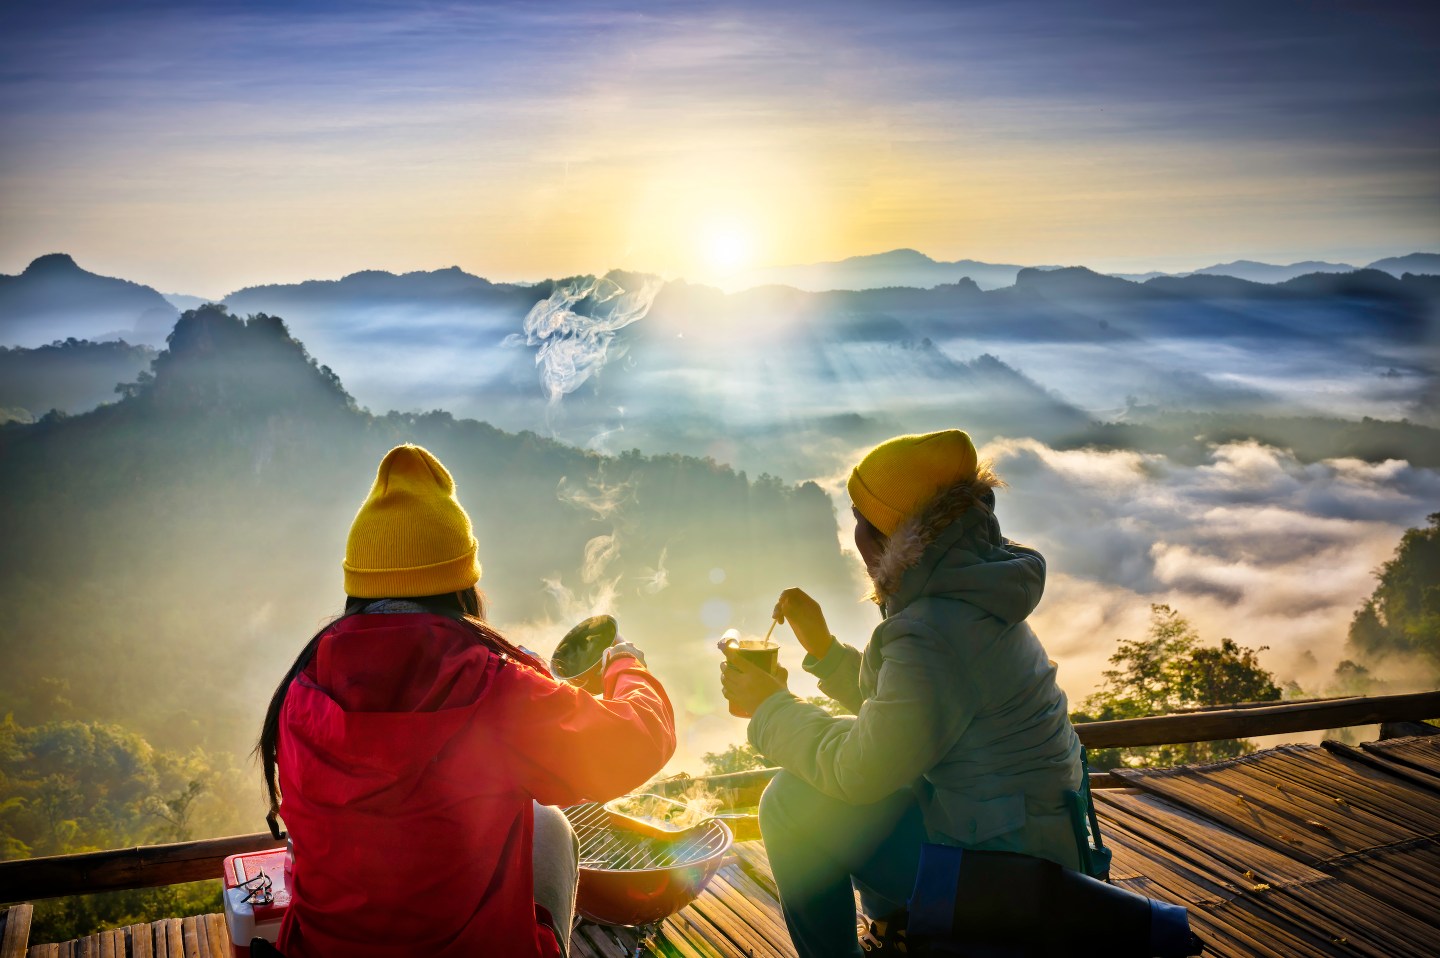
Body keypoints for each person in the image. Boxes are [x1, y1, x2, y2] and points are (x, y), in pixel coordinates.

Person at [257, 444, 675, 958]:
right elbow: (636, 744)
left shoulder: (302, 692)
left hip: (322, 951)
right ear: (461, 585)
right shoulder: (492, 690)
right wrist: (625, 666)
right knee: (551, 825)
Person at [720, 429, 1083, 958]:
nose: (854, 534)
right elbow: (907, 716)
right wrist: (822, 650)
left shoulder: (934, 628)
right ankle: (898, 930)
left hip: (1008, 877)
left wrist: (770, 709)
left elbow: (860, 771)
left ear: (894, 532)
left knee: (790, 803)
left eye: (860, 518)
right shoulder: (972, 587)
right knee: (868, 776)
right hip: (1031, 837)